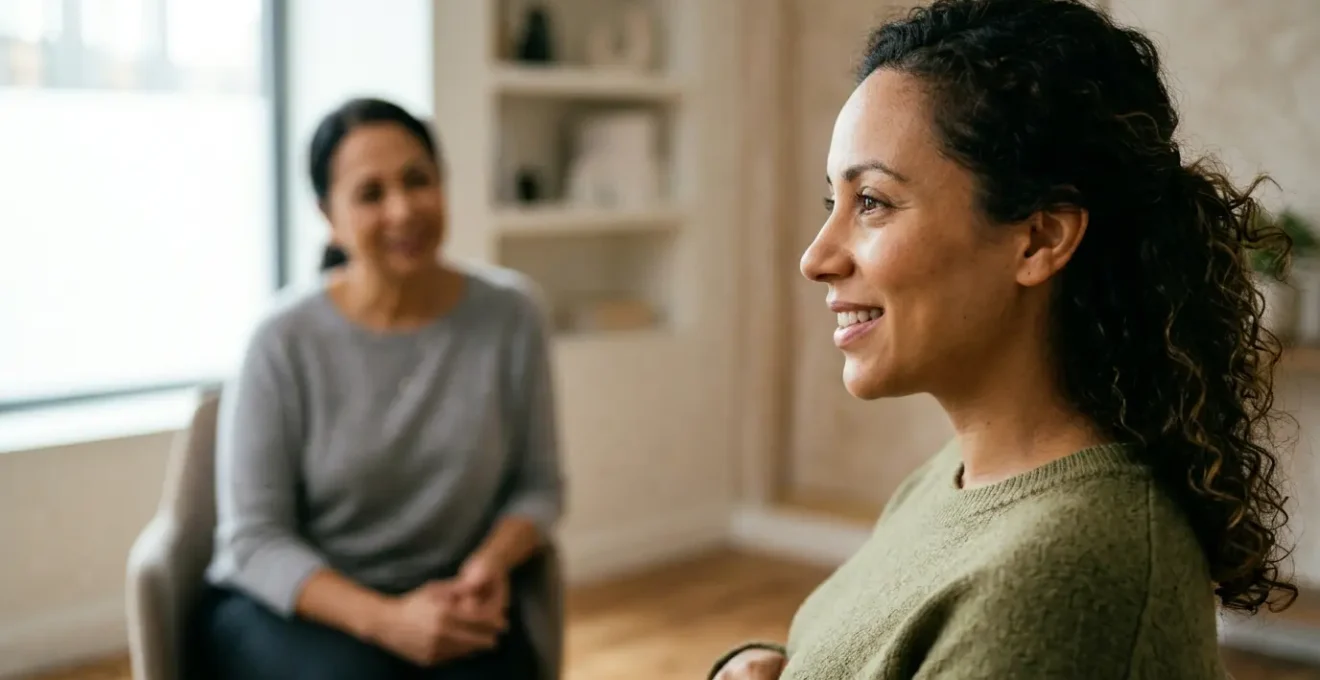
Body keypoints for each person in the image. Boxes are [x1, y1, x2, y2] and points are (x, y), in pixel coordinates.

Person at [712, 0, 1297, 678]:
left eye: (871, 201)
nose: (817, 257)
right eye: (831, 203)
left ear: (1040, 239)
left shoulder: (1066, 576)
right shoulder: (955, 476)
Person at [191, 97, 565, 680]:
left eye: (418, 180)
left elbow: (539, 485)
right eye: (370, 194)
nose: (403, 210)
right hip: (300, 608)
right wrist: (388, 621)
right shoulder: (282, 339)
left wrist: (487, 567)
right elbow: (253, 541)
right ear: (329, 216)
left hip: (447, 599)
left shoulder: (512, 316)